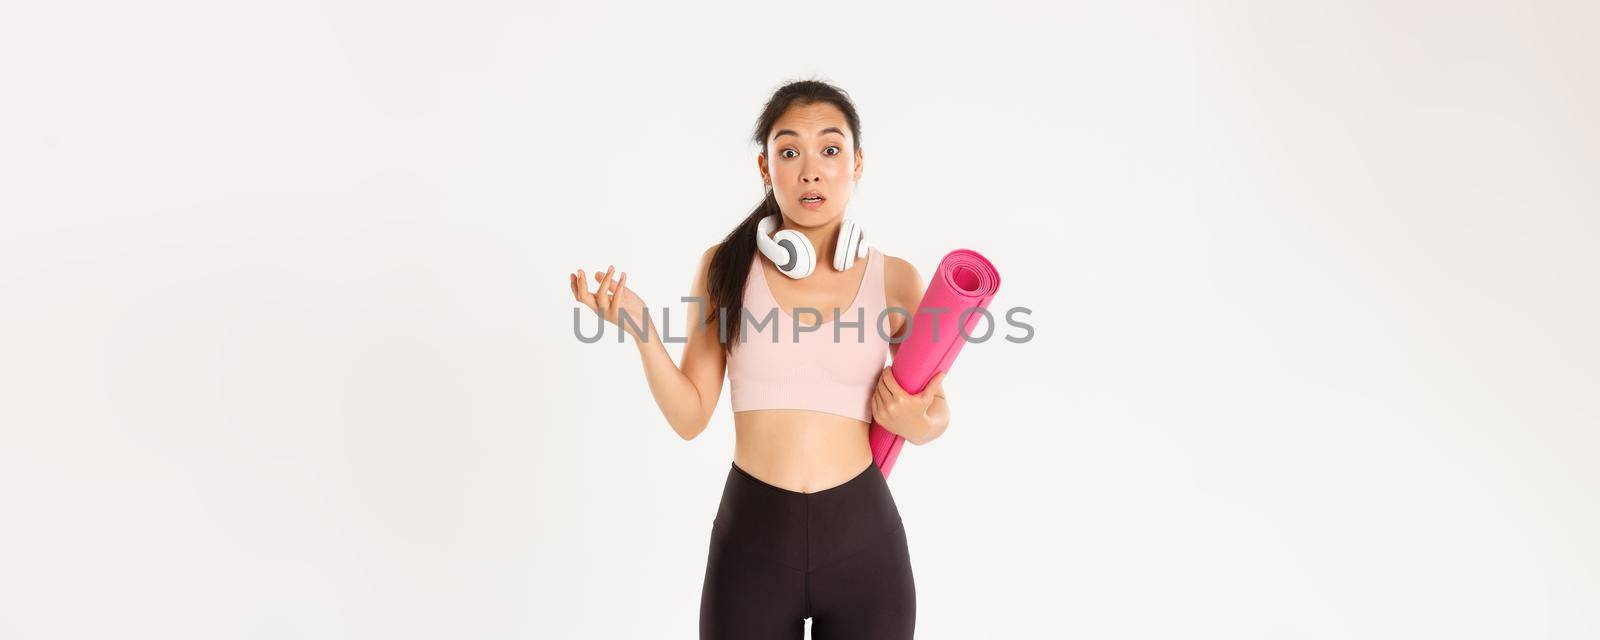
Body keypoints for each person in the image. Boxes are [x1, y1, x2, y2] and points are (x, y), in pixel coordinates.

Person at [569, 79, 950, 639]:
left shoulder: (895, 279)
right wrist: (641, 327)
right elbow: (691, 415)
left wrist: (919, 422)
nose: (810, 170)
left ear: (858, 163)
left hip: (865, 543)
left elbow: (938, 408)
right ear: (765, 168)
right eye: (789, 151)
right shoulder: (726, 266)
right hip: (751, 542)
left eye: (831, 149)